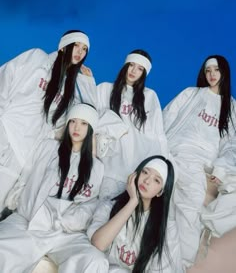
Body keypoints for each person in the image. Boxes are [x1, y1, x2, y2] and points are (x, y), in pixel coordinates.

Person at [0, 29, 97, 213]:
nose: (80, 52)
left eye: (84, 49)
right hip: (6, 130)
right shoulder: (37, 58)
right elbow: (5, 77)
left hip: (23, 152)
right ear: (63, 47)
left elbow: (87, 115)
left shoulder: (70, 88)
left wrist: (88, 83)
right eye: (76, 45)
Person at [0, 103, 104, 273]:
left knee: (95, 260)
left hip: (66, 233)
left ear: (91, 129)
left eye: (84, 123)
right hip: (31, 222)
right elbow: (26, 180)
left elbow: (89, 205)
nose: (77, 127)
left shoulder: (97, 167)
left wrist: (66, 222)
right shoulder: (48, 147)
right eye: (73, 121)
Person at [163, 55, 236, 268]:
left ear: (224, 72)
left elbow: (231, 144)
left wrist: (221, 167)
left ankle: (183, 263)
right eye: (208, 70)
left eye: (216, 70)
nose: (212, 75)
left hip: (201, 160)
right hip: (176, 151)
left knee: (191, 198)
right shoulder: (190, 94)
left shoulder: (231, 107)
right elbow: (167, 117)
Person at [86, 155, 183, 272]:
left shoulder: (167, 229)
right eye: (145, 172)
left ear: (160, 192)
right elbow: (99, 244)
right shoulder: (110, 206)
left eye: (156, 180)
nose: (147, 181)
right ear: (134, 175)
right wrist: (133, 202)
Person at [96, 50, 168, 199]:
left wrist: (162, 161)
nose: (134, 71)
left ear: (144, 73)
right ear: (125, 65)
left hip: (136, 166)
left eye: (140, 68)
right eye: (131, 65)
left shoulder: (149, 96)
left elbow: (157, 133)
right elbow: (91, 116)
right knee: (103, 208)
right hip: (110, 163)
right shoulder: (105, 89)